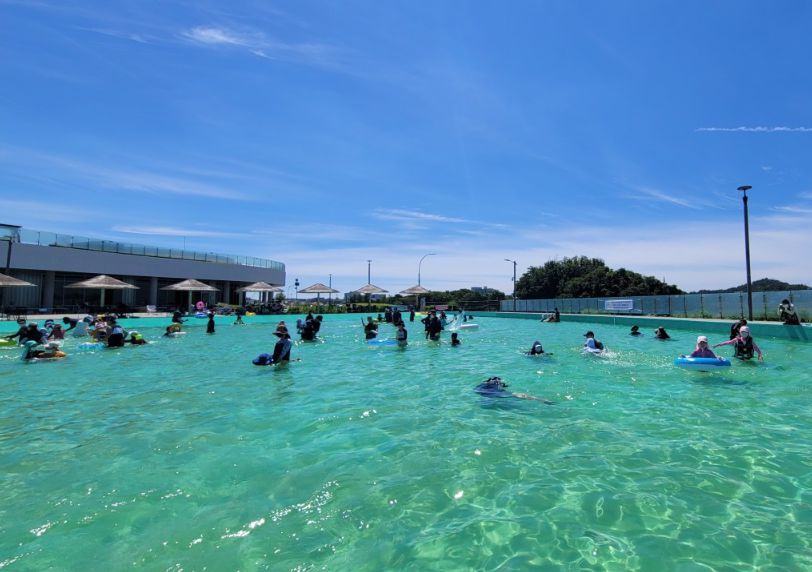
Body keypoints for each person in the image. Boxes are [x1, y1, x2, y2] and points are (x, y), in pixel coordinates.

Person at [474, 377, 553, 403]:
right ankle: (542, 400)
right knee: (517, 394)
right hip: (496, 393)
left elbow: (477, 389)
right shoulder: (496, 381)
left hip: (482, 392)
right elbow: (502, 386)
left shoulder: (484, 383)